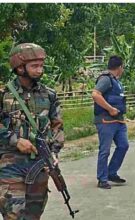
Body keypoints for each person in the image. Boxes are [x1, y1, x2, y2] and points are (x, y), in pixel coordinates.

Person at [0, 43, 64, 219]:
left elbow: (57, 125)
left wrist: (55, 151)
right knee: (14, 214)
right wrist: (15, 140)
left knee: (33, 215)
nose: (40, 70)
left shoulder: (49, 94)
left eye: (41, 65)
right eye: (34, 66)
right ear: (20, 68)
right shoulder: (3, 94)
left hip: (40, 165)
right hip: (10, 164)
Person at [92, 55, 129, 189]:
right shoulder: (106, 79)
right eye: (122, 67)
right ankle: (102, 179)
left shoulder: (116, 81)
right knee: (105, 150)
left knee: (123, 145)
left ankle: (111, 172)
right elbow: (95, 94)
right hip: (106, 120)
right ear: (120, 67)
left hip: (118, 120)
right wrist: (110, 108)